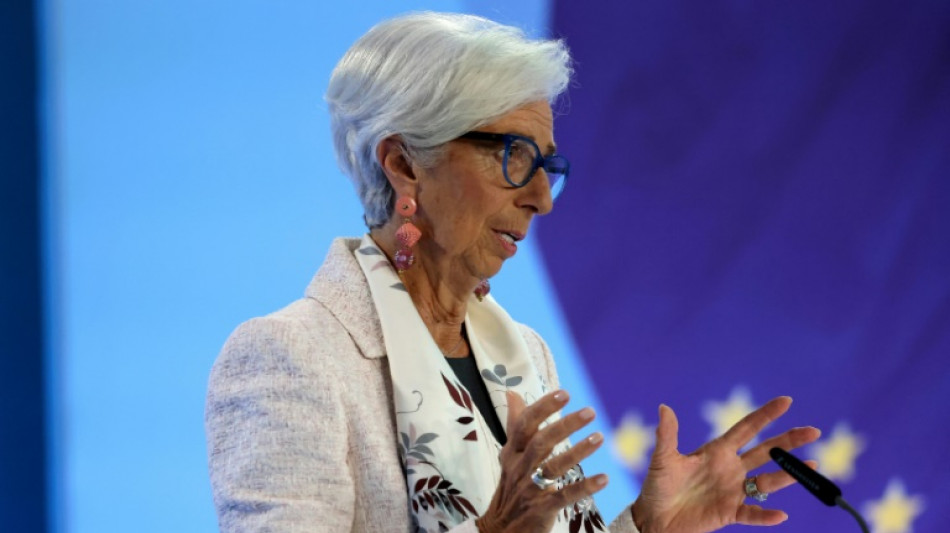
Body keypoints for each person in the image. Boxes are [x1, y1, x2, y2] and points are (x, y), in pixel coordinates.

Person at [205, 12, 820, 533]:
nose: (542, 199)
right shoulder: (291, 356)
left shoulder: (524, 354)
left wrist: (648, 526)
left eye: (546, 166)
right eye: (514, 156)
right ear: (404, 164)